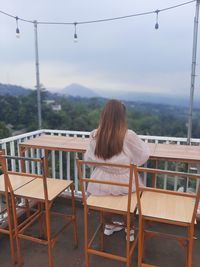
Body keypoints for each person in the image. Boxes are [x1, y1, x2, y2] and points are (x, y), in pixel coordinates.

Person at [84, 99, 150, 241]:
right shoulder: (128, 135)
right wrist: (131, 162)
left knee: (105, 198)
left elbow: (89, 158)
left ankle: (109, 226)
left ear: (104, 115)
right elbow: (143, 155)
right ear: (122, 116)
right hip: (125, 179)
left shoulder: (95, 134)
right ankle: (129, 230)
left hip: (100, 179)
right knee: (128, 202)